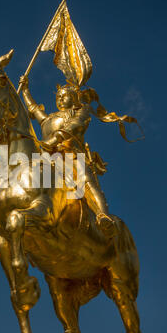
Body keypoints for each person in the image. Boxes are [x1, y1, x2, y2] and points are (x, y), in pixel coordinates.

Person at [19, 75, 116, 237]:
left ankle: (102, 215)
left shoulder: (81, 111)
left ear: (73, 98)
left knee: (86, 181)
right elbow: (33, 109)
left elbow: (74, 125)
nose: (61, 99)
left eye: (65, 96)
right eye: (59, 97)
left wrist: (54, 139)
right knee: (23, 184)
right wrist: (25, 90)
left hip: (71, 156)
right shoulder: (48, 119)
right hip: (47, 157)